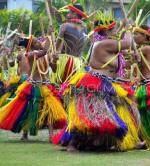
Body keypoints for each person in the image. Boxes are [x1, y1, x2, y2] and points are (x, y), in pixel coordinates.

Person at [52, 12, 141, 152]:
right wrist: (129, 29)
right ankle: (73, 144)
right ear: (106, 30)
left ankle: (107, 142)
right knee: (88, 115)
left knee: (108, 113)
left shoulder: (107, 44)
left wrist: (133, 61)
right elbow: (127, 43)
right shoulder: (104, 43)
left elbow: (116, 65)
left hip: (107, 82)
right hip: (96, 83)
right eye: (114, 28)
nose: (117, 31)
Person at [0, 35, 67, 140]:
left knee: (49, 110)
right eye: (35, 42)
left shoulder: (46, 55)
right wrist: (50, 37)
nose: (39, 43)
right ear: (30, 45)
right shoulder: (29, 55)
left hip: (46, 85)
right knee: (28, 109)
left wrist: (54, 60)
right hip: (33, 85)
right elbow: (44, 51)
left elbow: (53, 70)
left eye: (38, 41)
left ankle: (50, 135)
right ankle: (25, 134)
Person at [51, 3, 88, 84]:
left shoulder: (65, 26)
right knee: (72, 87)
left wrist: (53, 60)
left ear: (75, 14)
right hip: (78, 63)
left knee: (59, 85)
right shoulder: (85, 28)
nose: (67, 14)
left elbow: (56, 47)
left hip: (64, 62)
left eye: (69, 12)